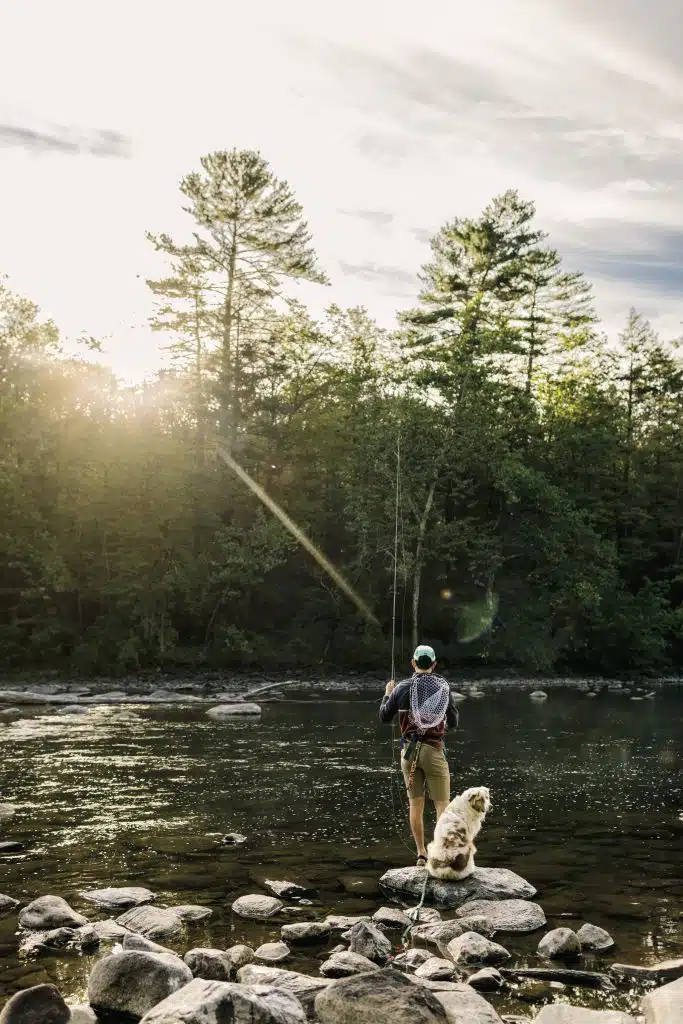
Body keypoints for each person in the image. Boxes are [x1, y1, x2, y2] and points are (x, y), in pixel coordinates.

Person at [379, 644, 458, 866]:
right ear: (434, 664)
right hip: (433, 750)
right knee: (442, 806)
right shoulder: (443, 688)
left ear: (413, 663)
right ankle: (440, 855)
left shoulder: (401, 688)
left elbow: (384, 717)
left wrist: (387, 694)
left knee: (415, 805)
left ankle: (421, 854)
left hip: (409, 752)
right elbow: (454, 721)